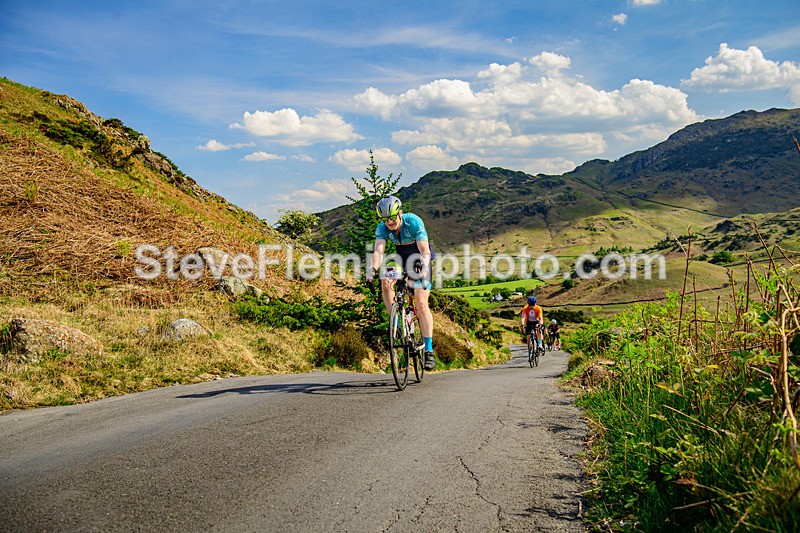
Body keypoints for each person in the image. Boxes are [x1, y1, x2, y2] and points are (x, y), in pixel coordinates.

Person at [368, 196, 436, 371]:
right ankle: (397, 323)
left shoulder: (413, 221)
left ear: (400, 213)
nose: (389, 222)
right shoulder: (382, 228)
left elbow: (424, 249)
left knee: (421, 302)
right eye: (385, 219)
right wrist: (372, 269)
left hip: (419, 259)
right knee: (385, 279)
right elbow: (378, 250)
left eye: (392, 217)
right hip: (401, 259)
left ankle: (428, 350)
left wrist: (423, 266)